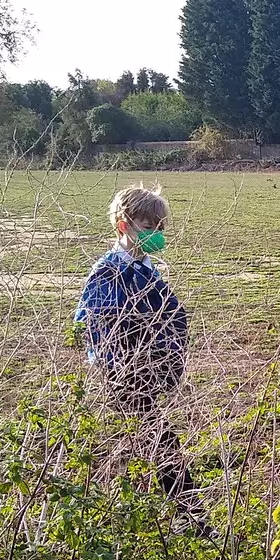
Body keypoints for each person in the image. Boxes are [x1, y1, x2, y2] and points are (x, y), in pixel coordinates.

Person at [74, 184, 198, 511]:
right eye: (148, 226)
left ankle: (142, 512)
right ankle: (192, 516)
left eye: (160, 227)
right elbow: (95, 324)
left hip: (150, 372)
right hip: (127, 376)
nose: (156, 234)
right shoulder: (110, 271)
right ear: (124, 225)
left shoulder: (145, 267)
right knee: (162, 445)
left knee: (145, 443)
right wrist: (126, 365)